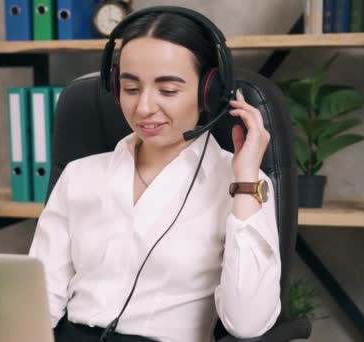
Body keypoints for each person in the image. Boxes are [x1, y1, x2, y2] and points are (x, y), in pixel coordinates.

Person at [29, 7, 281, 342]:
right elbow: (38, 302)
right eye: (131, 89)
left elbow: (247, 323)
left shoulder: (242, 186)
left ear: (208, 91)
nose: (144, 107)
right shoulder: (80, 175)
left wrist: (246, 180)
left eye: (168, 90)